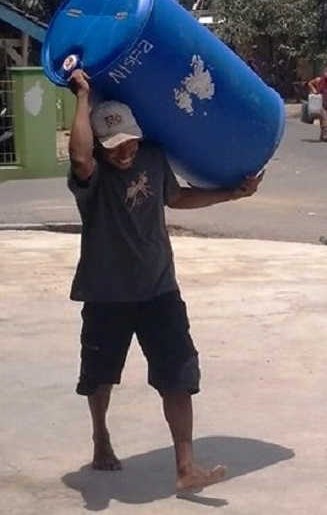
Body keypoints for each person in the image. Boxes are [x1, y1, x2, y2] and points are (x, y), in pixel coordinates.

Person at [66, 69, 263, 491]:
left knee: (178, 373)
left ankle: (186, 466)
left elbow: (176, 197)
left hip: (159, 288)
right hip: (107, 293)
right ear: (101, 147)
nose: (125, 152)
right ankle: (100, 435)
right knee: (100, 372)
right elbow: (80, 159)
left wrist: (232, 193)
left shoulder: (152, 157)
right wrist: (82, 96)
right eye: (114, 146)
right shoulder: (93, 177)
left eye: (129, 141)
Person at [307, 66, 327, 142]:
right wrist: (314, 89)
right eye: (326, 72)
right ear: (323, 73)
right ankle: (325, 135)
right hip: (320, 103)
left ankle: (322, 135)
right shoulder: (319, 80)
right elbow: (310, 83)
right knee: (325, 117)